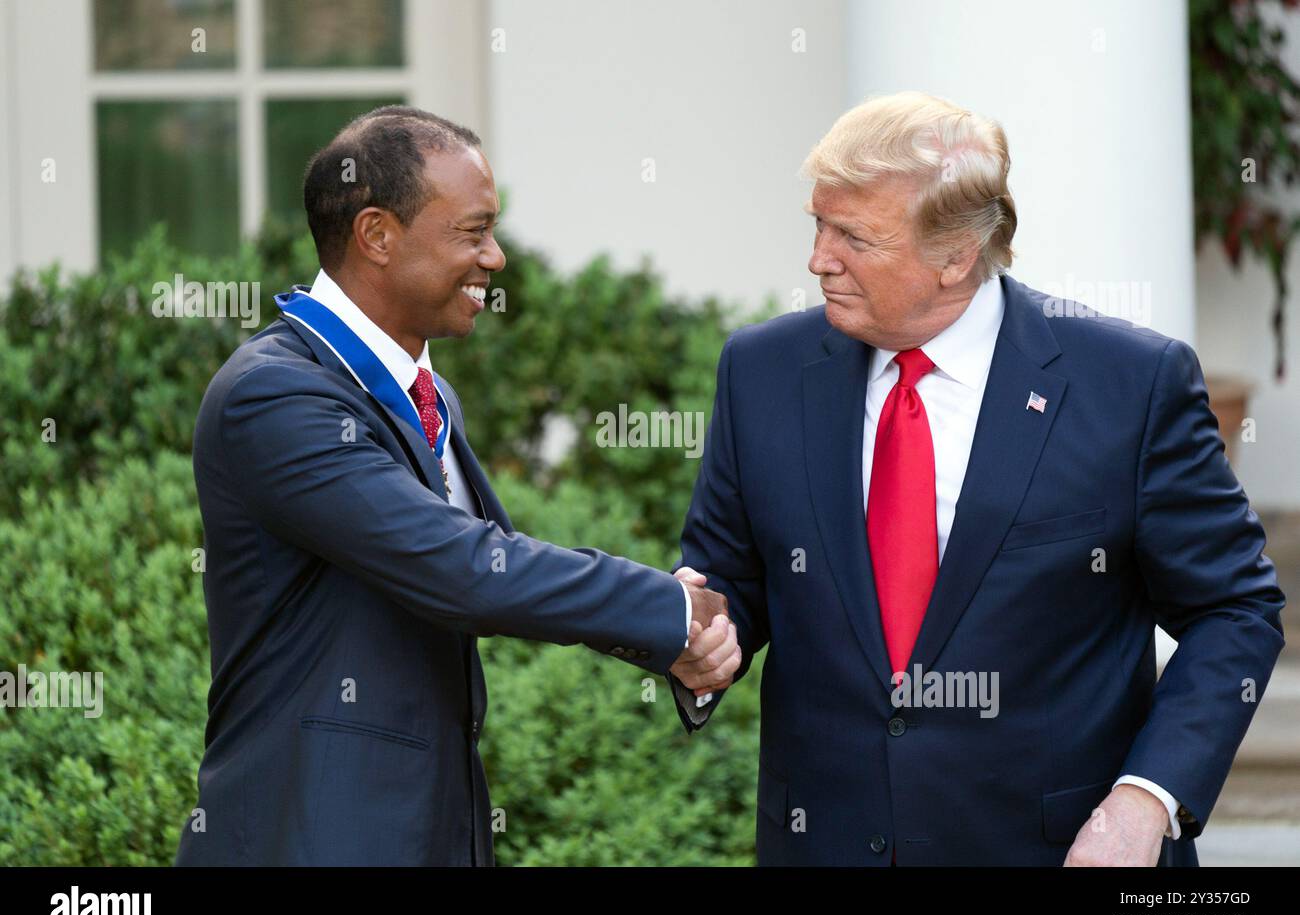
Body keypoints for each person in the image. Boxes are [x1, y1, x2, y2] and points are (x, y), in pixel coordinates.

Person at [671, 91, 1286, 866]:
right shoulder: (761, 371)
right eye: (817, 224)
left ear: (956, 255)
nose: (818, 258)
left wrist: (1146, 798)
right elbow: (729, 582)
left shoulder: (1129, 385)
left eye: (853, 236)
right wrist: (699, 638)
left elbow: (1234, 610)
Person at [175, 106, 735, 866]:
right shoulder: (275, 397)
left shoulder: (423, 396)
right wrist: (667, 610)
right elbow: (462, 569)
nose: (495, 258)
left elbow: (484, 569)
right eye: (472, 233)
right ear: (376, 235)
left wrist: (668, 643)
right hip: (308, 838)